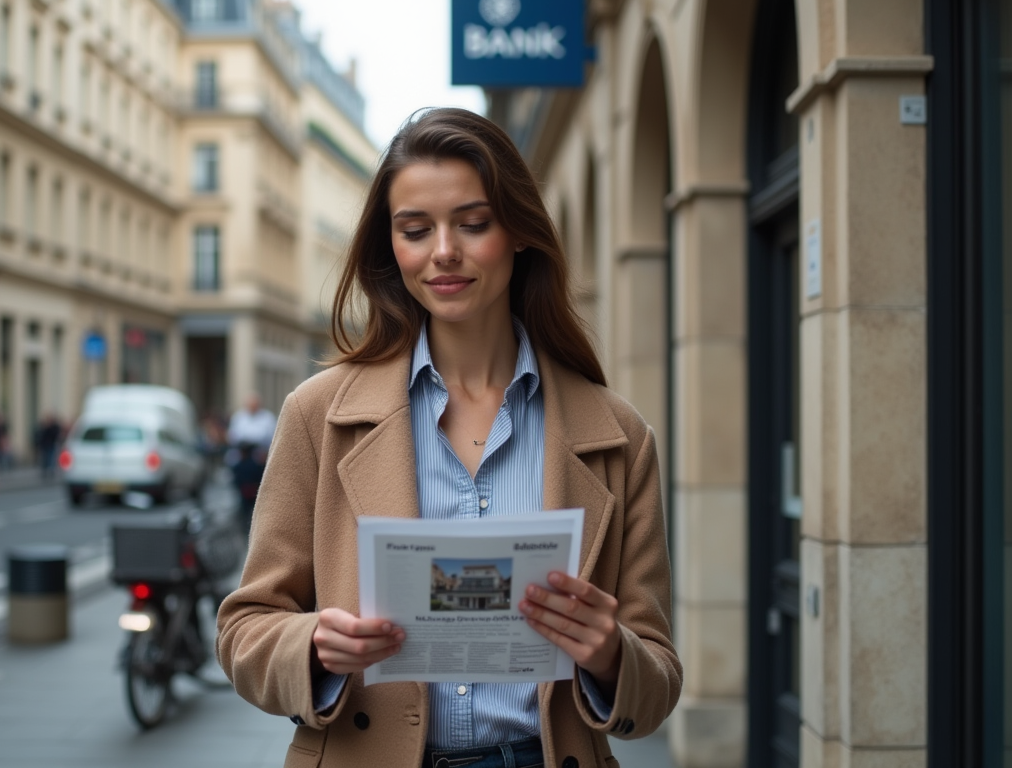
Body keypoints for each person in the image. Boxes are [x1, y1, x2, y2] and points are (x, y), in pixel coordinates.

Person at [215, 108, 681, 768]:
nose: (443, 251)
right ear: (391, 246)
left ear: (518, 232)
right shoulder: (318, 416)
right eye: (415, 229)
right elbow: (243, 629)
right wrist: (313, 646)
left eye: (473, 223)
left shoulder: (619, 436)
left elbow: (657, 680)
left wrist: (610, 653)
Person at [225, 393, 276, 466]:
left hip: (260, 453)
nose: (252, 406)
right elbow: (232, 436)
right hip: (241, 453)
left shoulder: (268, 417)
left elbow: (272, 437)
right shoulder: (238, 417)